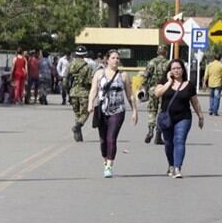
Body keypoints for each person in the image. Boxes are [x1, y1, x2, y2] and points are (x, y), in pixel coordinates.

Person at [88, 50, 139, 178]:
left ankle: (109, 166)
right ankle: (106, 160)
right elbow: (94, 89)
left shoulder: (123, 75)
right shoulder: (99, 73)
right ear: (107, 59)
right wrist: (90, 103)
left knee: (111, 138)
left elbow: (130, 94)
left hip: (118, 110)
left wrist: (134, 111)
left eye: (117, 58)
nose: (116, 60)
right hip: (102, 109)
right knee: (103, 140)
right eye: (113, 58)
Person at [154, 59, 204, 179]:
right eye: (174, 68)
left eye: (179, 68)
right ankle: (171, 165)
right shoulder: (164, 82)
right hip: (167, 118)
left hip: (184, 117)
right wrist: (169, 82)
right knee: (168, 143)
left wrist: (200, 116)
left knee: (179, 140)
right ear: (169, 71)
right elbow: (157, 93)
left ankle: (177, 168)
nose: (176, 70)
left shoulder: (189, 85)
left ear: (183, 69)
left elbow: (195, 102)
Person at [142, 45, 169, 145]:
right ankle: (158, 135)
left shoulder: (152, 62)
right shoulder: (168, 63)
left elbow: (145, 76)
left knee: (152, 110)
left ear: (158, 52)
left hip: (153, 89)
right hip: (164, 90)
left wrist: (145, 88)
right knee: (163, 112)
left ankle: (150, 130)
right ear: (165, 52)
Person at [67, 46, 93, 142]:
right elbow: (89, 81)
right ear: (85, 55)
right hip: (83, 92)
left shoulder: (70, 65)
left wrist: (67, 91)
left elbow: (65, 79)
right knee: (85, 113)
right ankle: (78, 126)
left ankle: (78, 136)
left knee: (77, 114)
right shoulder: (87, 67)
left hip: (73, 92)